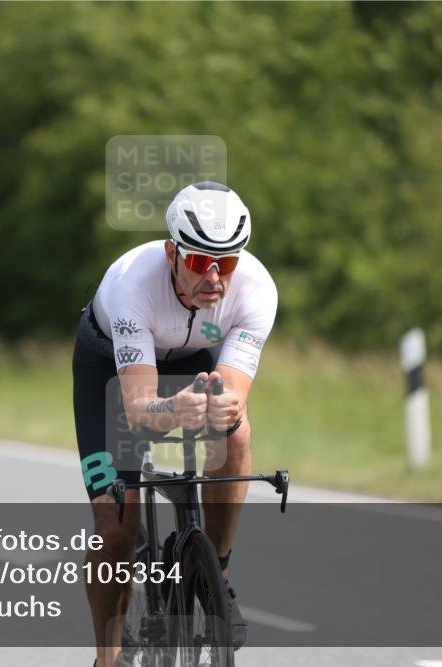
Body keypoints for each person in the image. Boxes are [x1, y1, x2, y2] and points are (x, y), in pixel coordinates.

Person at [73, 182, 277, 666]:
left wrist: (218, 411)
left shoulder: (257, 290)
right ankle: (108, 658)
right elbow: (139, 408)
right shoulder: (132, 286)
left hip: (193, 354)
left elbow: (230, 395)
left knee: (236, 430)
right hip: (110, 364)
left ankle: (217, 577)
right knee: (116, 526)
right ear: (172, 253)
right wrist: (172, 411)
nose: (213, 276)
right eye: (199, 261)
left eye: (225, 263)